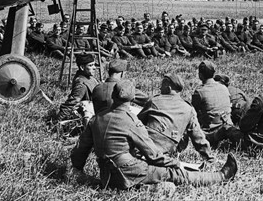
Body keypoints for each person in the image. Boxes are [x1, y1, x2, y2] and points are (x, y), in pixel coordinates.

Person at [70, 80, 238, 190]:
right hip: (129, 171)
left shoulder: (96, 118)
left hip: (106, 174)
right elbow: (153, 156)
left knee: (154, 177)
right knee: (176, 175)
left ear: (113, 95)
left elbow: (80, 151)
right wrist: (175, 163)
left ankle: (146, 188)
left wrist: (77, 170)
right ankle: (220, 176)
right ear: (133, 98)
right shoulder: (132, 122)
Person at [138, 74, 215, 163]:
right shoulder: (188, 109)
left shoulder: (154, 101)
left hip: (143, 148)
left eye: (162, 85)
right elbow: (198, 137)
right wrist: (209, 159)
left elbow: (136, 123)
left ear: (169, 88)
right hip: (165, 153)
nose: (160, 88)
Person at [191, 61, 236, 148]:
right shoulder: (224, 87)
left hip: (211, 130)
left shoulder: (199, 92)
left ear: (200, 75)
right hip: (228, 125)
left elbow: (192, 113)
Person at [58, 54, 100, 121]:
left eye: (94, 65)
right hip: (91, 113)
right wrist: (59, 121)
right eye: (90, 65)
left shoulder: (90, 77)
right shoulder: (81, 84)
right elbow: (71, 104)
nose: (94, 67)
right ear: (82, 67)